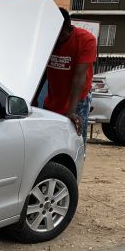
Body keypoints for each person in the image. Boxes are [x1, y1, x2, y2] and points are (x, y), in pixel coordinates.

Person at [44, 8, 97, 147]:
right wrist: (33, 99)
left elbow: (79, 77)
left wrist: (72, 112)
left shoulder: (86, 40)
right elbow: (42, 71)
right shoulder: (47, 39)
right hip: (53, 99)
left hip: (78, 101)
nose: (54, 39)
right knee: (49, 143)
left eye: (58, 34)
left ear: (67, 26)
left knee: (75, 143)